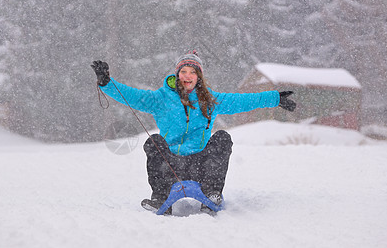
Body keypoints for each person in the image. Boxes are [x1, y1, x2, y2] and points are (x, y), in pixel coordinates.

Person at [91, 51, 296, 214]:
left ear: (199, 77)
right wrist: (106, 82)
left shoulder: (210, 99)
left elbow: (241, 101)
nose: (187, 76)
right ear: (177, 74)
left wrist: (274, 98)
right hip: (170, 164)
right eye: (184, 72)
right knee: (153, 141)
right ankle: (161, 197)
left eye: (193, 72)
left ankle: (212, 193)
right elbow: (132, 95)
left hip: (201, 165)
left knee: (222, 138)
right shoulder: (161, 98)